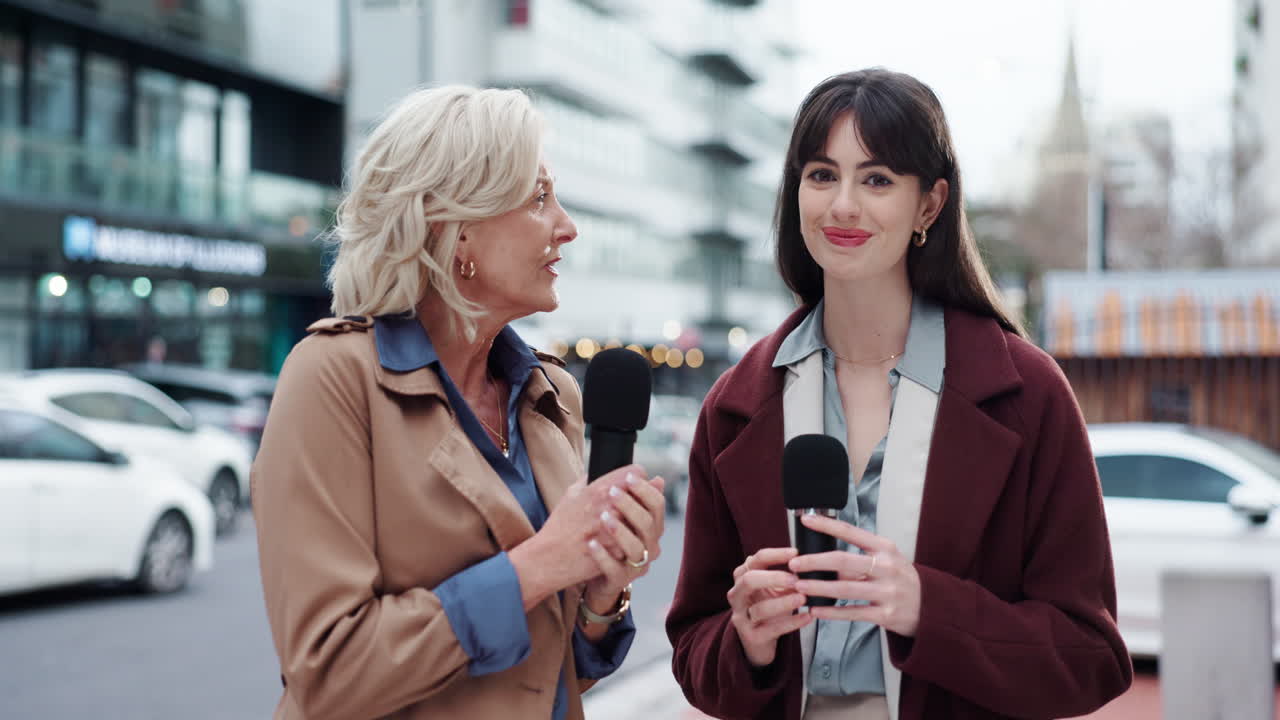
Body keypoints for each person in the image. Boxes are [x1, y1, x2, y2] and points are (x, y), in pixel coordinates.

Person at [666, 69, 1132, 720]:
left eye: (877, 179)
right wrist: (744, 640)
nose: (843, 206)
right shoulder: (735, 404)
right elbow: (694, 652)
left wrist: (927, 609)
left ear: (929, 205)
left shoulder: (1026, 396)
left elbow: (1092, 659)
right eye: (822, 175)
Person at [252, 85, 666, 720]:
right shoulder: (332, 378)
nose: (568, 227)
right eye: (538, 198)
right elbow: (329, 673)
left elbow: (555, 675)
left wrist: (602, 595)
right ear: (457, 228)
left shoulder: (552, 396)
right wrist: (539, 565)